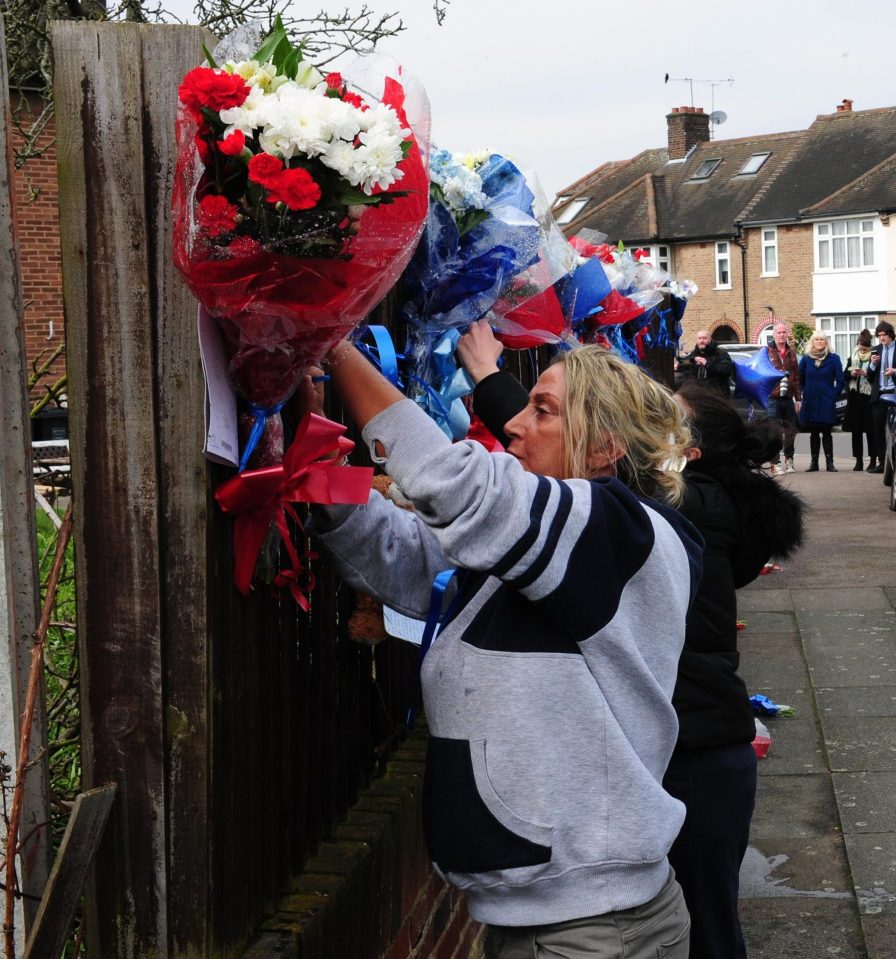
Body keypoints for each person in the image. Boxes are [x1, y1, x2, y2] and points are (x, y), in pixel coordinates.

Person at [307, 328, 702, 959]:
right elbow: (409, 565)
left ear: (604, 446)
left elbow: (456, 484)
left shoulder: (621, 533)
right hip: (563, 920)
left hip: (592, 930)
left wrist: (335, 345)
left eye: (542, 409)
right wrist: (322, 480)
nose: (513, 424)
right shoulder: (546, 553)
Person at [458, 323, 805, 959]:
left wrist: (490, 383)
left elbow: (592, 461)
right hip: (704, 737)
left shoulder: (663, 516)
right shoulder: (709, 504)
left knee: (709, 934)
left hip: (696, 753)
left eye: (663, 423)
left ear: (687, 451)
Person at [798, 332, 845, 473]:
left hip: (826, 401)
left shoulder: (834, 358)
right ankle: (814, 463)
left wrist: (833, 395)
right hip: (811, 400)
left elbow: (841, 380)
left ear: (826, 342)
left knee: (826, 433)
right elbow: (800, 378)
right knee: (813, 433)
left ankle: (830, 463)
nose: (819, 342)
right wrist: (804, 392)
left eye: (822, 339)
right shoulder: (806, 359)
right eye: (816, 339)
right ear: (812, 342)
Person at [765, 323, 802, 475]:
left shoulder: (792, 353)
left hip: (788, 397)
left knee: (790, 430)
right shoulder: (766, 352)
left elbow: (797, 377)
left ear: (787, 334)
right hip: (773, 397)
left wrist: (798, 398)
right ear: (774, 335)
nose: (781, 335)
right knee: (774, 432)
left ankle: (789, 459)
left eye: (784, 332)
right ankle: (775, 463)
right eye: (779, 332)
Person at [842, 329, 876, 471]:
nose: (862, 351)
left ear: (869, 347)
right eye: (860, 348)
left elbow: (876, 377)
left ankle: (873, 460)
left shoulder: (875, 357)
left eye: (865, 349)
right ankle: (859, 461)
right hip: (855, 397)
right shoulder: (852, 356)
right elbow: (845, 376)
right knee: (856, 431)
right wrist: (852, 373)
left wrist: (867, 373)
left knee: (871, 431)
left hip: (869, 398)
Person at [866, 320, 896, 474]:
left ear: (890, 334)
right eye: (879, 335)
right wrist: (871, 365)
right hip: (879, 396)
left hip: (894, 393)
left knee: (893, 431)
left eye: (884, 335)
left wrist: (895, 371)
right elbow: (870, 377)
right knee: (878, 431)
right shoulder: (876, 350)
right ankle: (882, 462)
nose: (882, 338)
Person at [675, 330, 734, 396]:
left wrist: (707, 364)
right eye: (699, 338)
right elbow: (685, 362)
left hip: (717, 397)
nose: (701, 341)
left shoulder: (721, 354)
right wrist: (679, 365)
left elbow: (727, 370)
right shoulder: (693, 354)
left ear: (710, 339)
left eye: (704, 338)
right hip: (696, 396)